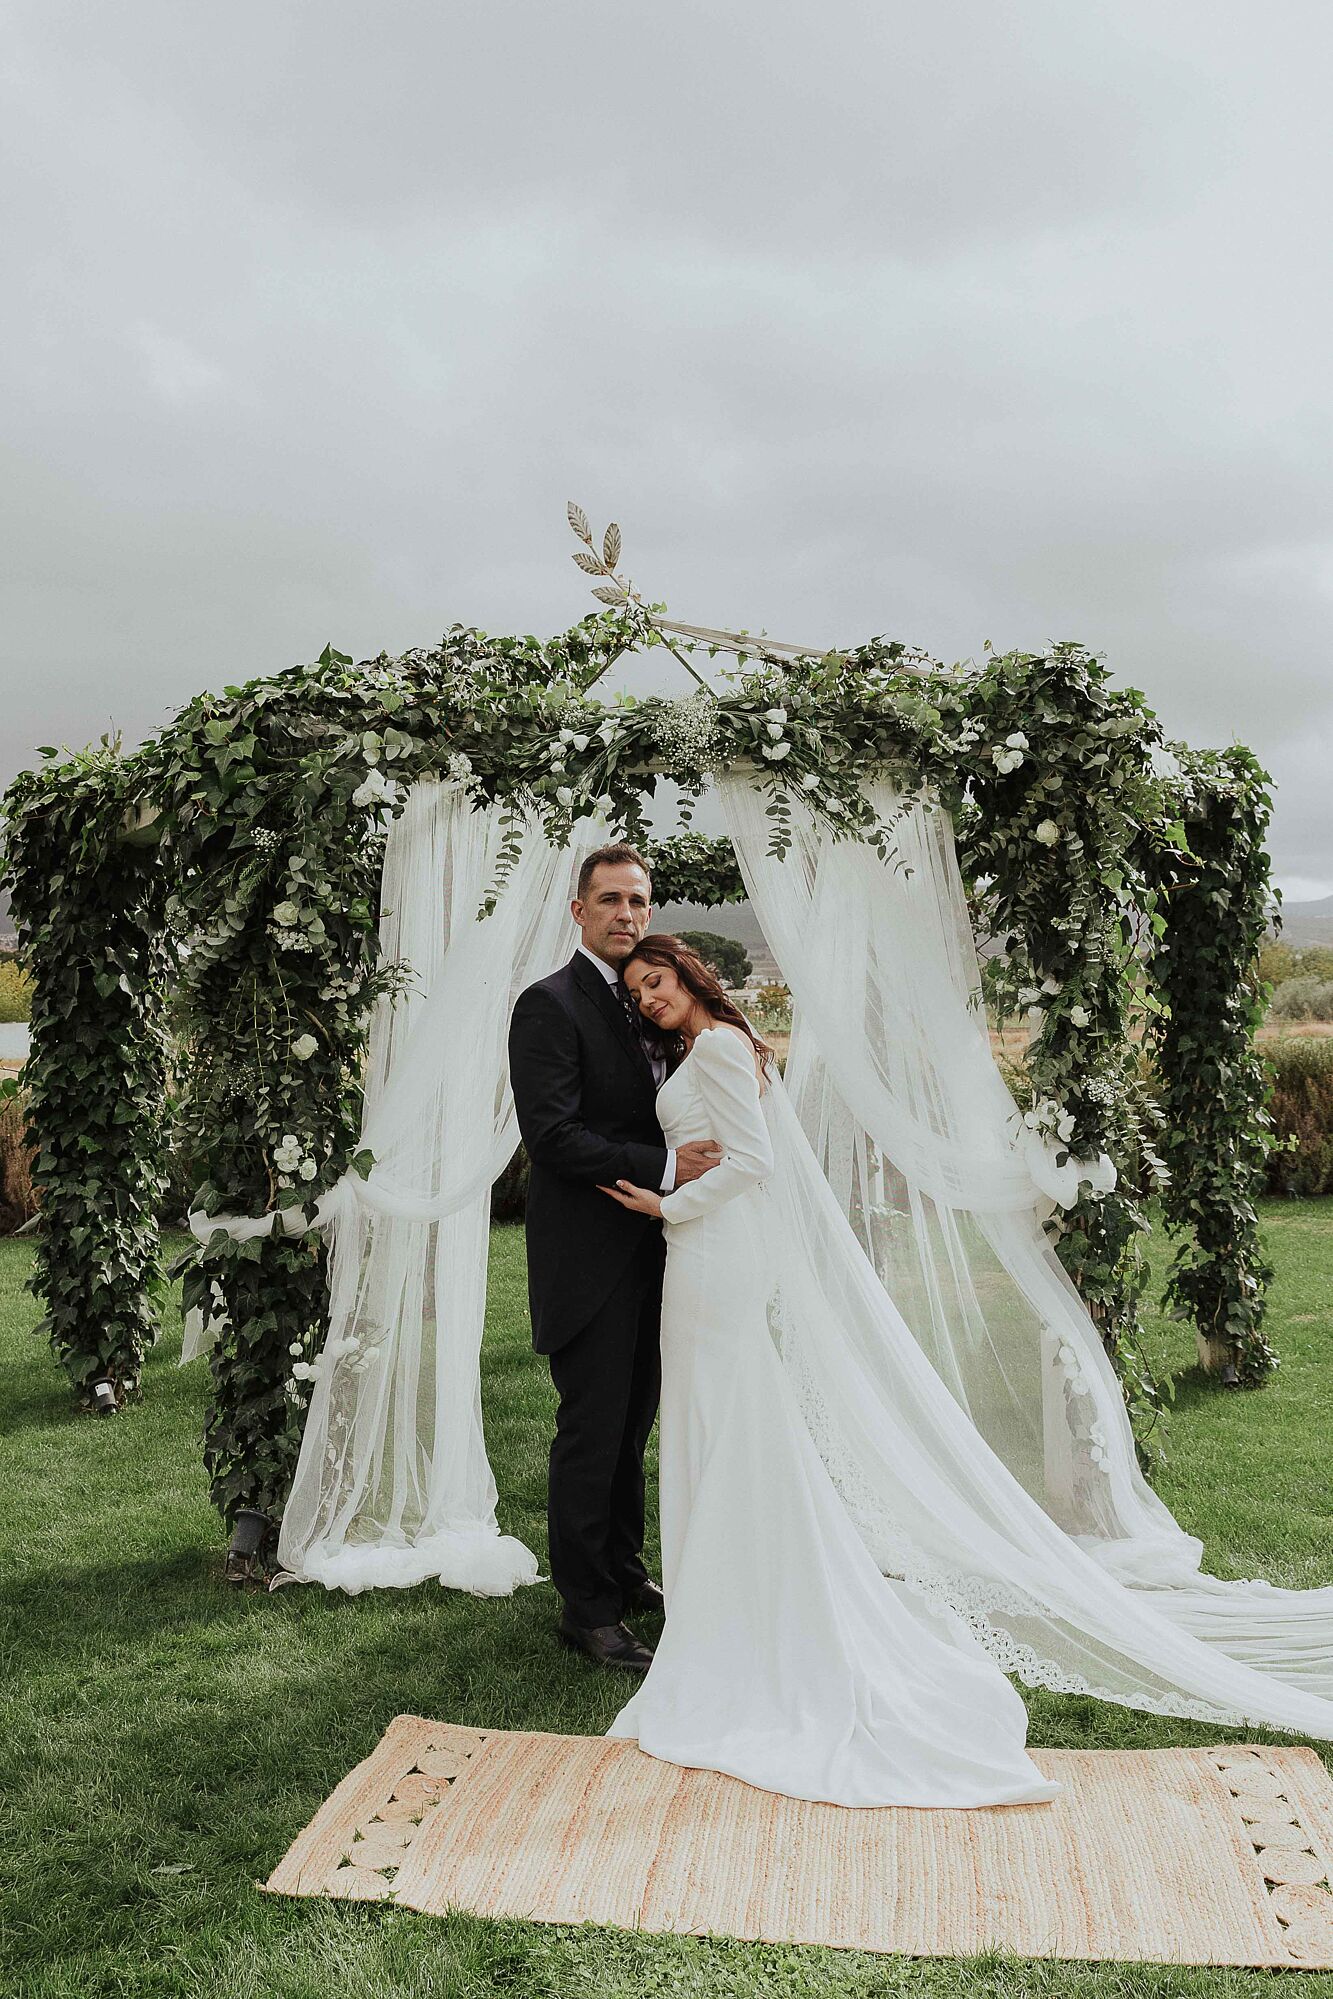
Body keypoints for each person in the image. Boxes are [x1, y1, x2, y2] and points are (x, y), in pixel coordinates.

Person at [597, 934, 1060, 1808]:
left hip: (714, 1248)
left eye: (656, 980)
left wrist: (668, 1202)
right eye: (637, 991)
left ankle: (732, 1601)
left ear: (690, 975)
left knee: (721, 1413)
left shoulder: (724, 1046)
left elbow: (756, 1161)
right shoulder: (702, 1048)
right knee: (712, 1414)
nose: (649, 996)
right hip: (700, 1251)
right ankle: (716, 1594)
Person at [507, 847, 722, 1674]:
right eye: (610, 900)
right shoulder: (547, 1005)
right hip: (588, 1255)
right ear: (578, 910)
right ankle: (585, 1608)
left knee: (634, 1425)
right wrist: (668, 1168)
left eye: (638, 900)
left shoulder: (648, 1000)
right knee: (591, 1431)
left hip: (660, 1250)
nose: (626, 914)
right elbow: (553, 1136)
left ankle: (624, 1572)